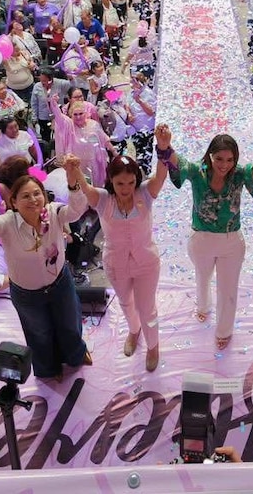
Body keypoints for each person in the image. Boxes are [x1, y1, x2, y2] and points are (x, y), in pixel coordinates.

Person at [0, 154, 94, 379]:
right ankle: (49, 369)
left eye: (37, 194)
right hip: (27, 293)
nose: (33, 199)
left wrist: (73, 182)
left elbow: (77, 210)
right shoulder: (7, 223)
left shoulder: (54, 212)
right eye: (25, 196)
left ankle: (75, 354)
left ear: (44, 196)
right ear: (13, 202)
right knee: (39, 333)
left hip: (60, 283)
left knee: (70, 322)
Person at [161, 128, 253, 350]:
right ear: (210, 155)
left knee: (228, 288)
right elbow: (177, 162)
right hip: (201, 239)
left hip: (231, 242)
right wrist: (164, 146)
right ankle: (202, 306)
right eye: (219, 158)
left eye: (230, 159)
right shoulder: (196, 171)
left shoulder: (239, 174)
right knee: (202, 277)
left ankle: (224, 330)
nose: (224, 164)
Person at [80, 146, 169, 372]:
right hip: (116, 264)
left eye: (130, 183)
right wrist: (75, 172)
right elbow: (85, 188)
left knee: (147, 307)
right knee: (126, 302)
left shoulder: (145, 193)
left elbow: (160, 176)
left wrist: (164, 149)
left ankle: (153, 346)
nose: (126, 189)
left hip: (146, 262)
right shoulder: (103, 199)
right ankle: (133, 330)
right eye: (120, 183)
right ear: (111, 180)